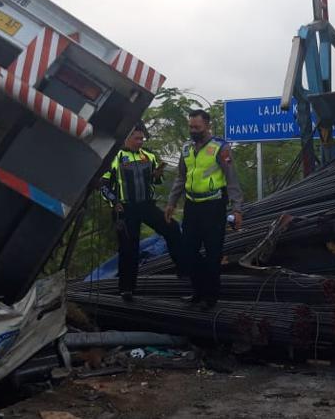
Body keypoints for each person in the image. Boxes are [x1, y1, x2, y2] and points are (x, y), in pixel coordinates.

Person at [163, 109, 243, 309]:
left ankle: (211, 297)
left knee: (213, 253)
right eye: (191, 127)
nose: (193, 130)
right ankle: (197, 291)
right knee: (188, 251)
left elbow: (231, 179)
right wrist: (171, 203)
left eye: (197, 127)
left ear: (207, 126)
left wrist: (237, 209)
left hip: (214, 205)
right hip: (192, 206)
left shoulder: (220, 148)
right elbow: (181, 177)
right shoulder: (187, 148)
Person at [99, 122, 183, 301]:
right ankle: (126, 289)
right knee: (129, 249)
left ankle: (183, 269)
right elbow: (103, 185)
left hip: (146, 205)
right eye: (137, 139)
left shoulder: (148, 156)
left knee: (173, 229)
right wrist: (114, 202)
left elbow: (155, 180)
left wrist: (157, 175)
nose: (140, 142)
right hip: (125, 209)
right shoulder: (115, 157)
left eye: (142, 139)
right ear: (127, 139)